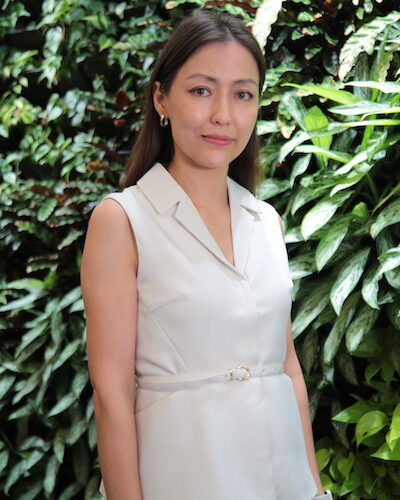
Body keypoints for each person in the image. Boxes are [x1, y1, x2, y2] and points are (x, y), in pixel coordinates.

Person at [80, 10, 333, 500]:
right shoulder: (123, 220)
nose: (223, 114)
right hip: (185, 478)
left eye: (243, 94)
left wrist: (317, 491)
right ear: (161, 99)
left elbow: (287, 368)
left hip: (284, 482)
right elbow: (112, 396)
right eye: (201, 90)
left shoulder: (266, 221)